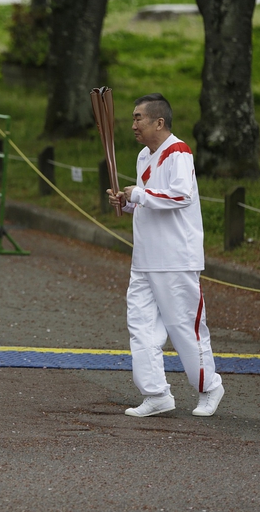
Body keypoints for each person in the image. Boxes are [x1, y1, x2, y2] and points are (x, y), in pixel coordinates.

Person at [107, 93, 224, 418]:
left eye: (138, 118)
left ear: (159, 122)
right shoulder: (144, 156)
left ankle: (209, 386)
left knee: (184, 326)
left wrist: (140, 194)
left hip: (176, 257)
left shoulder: (179, 152)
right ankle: (156, 393)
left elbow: (181, 196)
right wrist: (126, 201)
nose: (133, 125)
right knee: (141, 326)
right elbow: (149, 202)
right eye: (132, 118)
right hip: (144, 258)